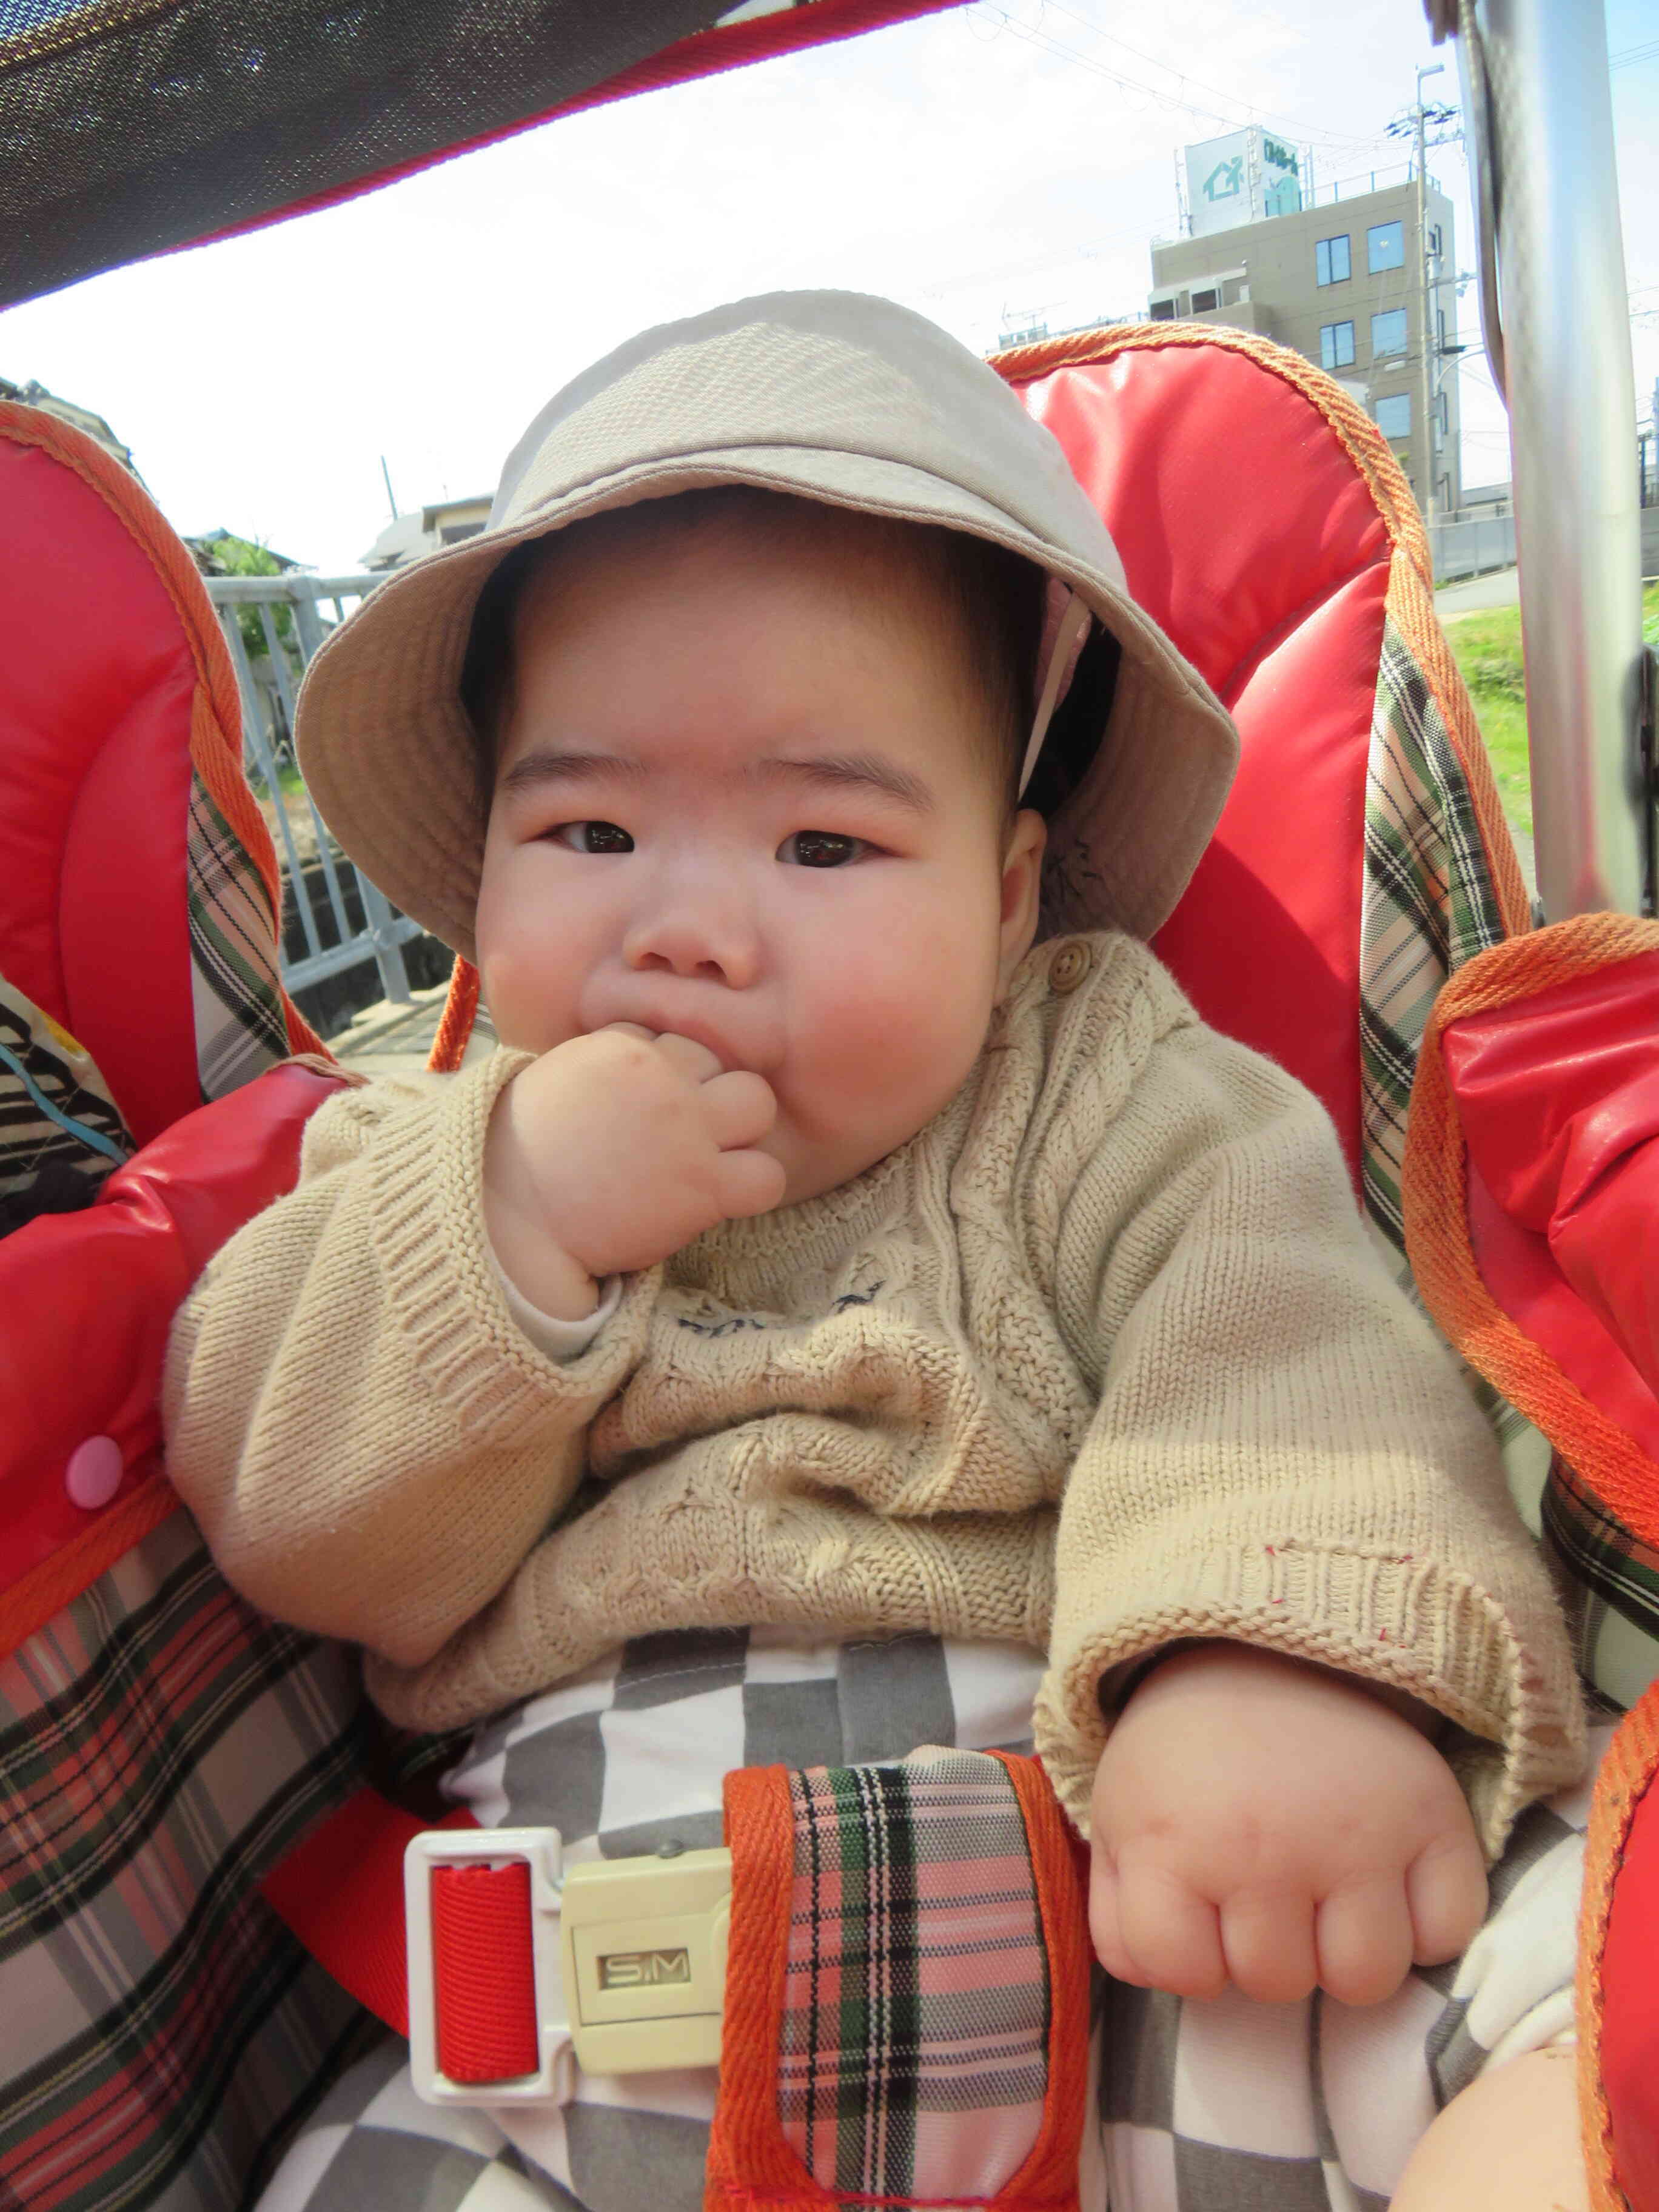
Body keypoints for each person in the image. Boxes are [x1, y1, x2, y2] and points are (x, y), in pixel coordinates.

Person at [164, 293, 1591, 2212]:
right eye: (588, 828)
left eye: (822, 849)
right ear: (483, 864)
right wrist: (510, 1229)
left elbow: (1278, 1340)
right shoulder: (431, 1144)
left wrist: (1273, 1654)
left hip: (1142, 1898)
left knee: (1580, 1996)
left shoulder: (1105, 1082)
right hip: (604, 2011)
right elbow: (295, 1521)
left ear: (1009, 904)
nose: (689, 929)